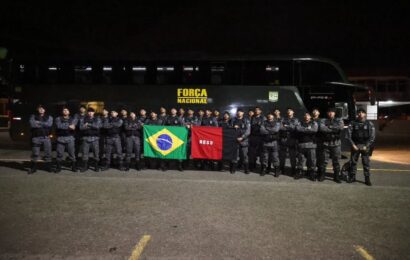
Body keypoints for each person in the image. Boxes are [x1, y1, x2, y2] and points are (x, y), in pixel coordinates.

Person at [347, 108, 376, 186]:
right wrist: (353, 145)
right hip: (355, 146)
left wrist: (366, 146)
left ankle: (367, 179)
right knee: (353, 163)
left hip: (365, 147)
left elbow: (372, 137)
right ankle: (352, 177)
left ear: (365, 114)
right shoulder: (352, 123)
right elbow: (348, 136)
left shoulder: (369, 124)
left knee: (366, 163)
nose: (360, 114)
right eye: (359, 112)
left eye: (362, 112)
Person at [317, 107, 344, 183]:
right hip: (326, 144)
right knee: (324, 161)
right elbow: (322, 128)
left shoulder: (339, 120)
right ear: (327, 113)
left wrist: (329, 127)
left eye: (332, 112)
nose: (331, 113)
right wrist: (334, 129)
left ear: (334, 113)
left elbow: (341, 127)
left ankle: (336, 177)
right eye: (329, 112)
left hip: (336, 144)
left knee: (336, 161)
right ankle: (322, 176)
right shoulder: (323, 120)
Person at [27, 104, 53, 174]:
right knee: (35, 153)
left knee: (48, 153)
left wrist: (38, 123)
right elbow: (32, 124)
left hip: (46, 137)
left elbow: (49, 125)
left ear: (45, 110)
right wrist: (44, 124)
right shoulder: (33, 116)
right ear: (37, 109)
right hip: (36, 137)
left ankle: (48, 167)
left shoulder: (49, 117)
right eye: (40, 108)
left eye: (43, 108)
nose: (41, 109)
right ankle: (33, 168)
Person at [295, 112, 318, 180]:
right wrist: (308, 129)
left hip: (311, 144)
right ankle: (300, 172)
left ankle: (311, 173)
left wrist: (304, 130)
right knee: (300, 160)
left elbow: (314, 130)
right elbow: (298, 129)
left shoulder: (314, 123)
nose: (306, 116)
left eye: (308, 115)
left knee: (312, 160)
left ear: (310, 117)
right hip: (301, 144)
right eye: (305, 115)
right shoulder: (300, 123)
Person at [54, 107, 77, 173]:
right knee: (59, 153)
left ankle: (73, 167)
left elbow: (73, 127)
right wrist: (68, 126)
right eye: (64, 110)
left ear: (69, 112)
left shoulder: (73, 119)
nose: (65, 111)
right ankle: (58, 167)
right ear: (62, 112)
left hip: (70, 138)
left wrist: (64, 125)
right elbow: (59, 126)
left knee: (72, 153)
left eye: (67, 110)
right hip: (60, 138)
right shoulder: (58, 118)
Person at [79, 107, 102, 172]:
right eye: (89, 112)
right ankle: (85, 166)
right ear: (87, 112)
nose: (90, 113)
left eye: (91, 112)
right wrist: (92, 126)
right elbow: (81, 127)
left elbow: (98, 127)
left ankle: (96, 166)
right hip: (85, 138)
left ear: (94, 112)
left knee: (96, 153)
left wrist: (88, 124)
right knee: (85, 153)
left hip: (95, 138)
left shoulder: (97, 119)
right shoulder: (83, 119)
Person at [279, 108, 300, 176]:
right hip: (284, 139)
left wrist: (286, 126)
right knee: (282, 155)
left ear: (293, 112)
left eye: (290, 111)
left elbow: (295, 128)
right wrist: (289, 127)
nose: (289, 112)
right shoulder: (283, 119)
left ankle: (293, 170)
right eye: (288, 111)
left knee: (292, 156)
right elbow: (280, 127)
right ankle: (281, 169)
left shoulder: (296, 119)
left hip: (292, 139)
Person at [231, 109, 251, 174]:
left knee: (245, 155)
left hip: (244, 140)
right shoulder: (233, 120)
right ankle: (233, 168)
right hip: (235, 140)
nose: (239, 113)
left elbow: (248, 131)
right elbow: (229, 129)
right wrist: (233, 127)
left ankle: (246, 169)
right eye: (238, 112)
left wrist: (242, 137)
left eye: (241, 112)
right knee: (235, 155)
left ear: (243, 113)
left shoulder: (246, 120)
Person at [249, 107, 266, 171]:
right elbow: (250, 126)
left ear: (260, 111)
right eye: (255, 110)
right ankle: (252, 165)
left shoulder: (263, 118)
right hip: (253, 136)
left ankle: (262, 167)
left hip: (260, 137)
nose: (256, 111)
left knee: (261, 152)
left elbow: (264, 126)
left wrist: (258, 126)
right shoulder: (252, 117)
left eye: (258, 110)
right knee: (252, 152)